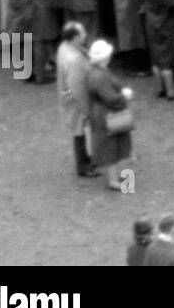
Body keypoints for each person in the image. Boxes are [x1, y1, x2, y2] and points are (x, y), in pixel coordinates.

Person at [86, 39, 133, 193]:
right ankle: (114, 181)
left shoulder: (94, 72)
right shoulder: (101, 76)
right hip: (107, 114)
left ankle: (114, 178)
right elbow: (110, 98)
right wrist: (124, 96)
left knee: (110, 145)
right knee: (111, 146)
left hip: (100, 112)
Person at [55, 21, 98, 178]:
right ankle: (84, 165)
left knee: (77, 131)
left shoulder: (63, 48)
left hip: (68, 97)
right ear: (75, 37)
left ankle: (85, 162)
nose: (85, 34)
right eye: (82, 33)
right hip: (77, 102)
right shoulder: (75, 60)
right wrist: (87, 109)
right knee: (80, 132)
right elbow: (78, 87)